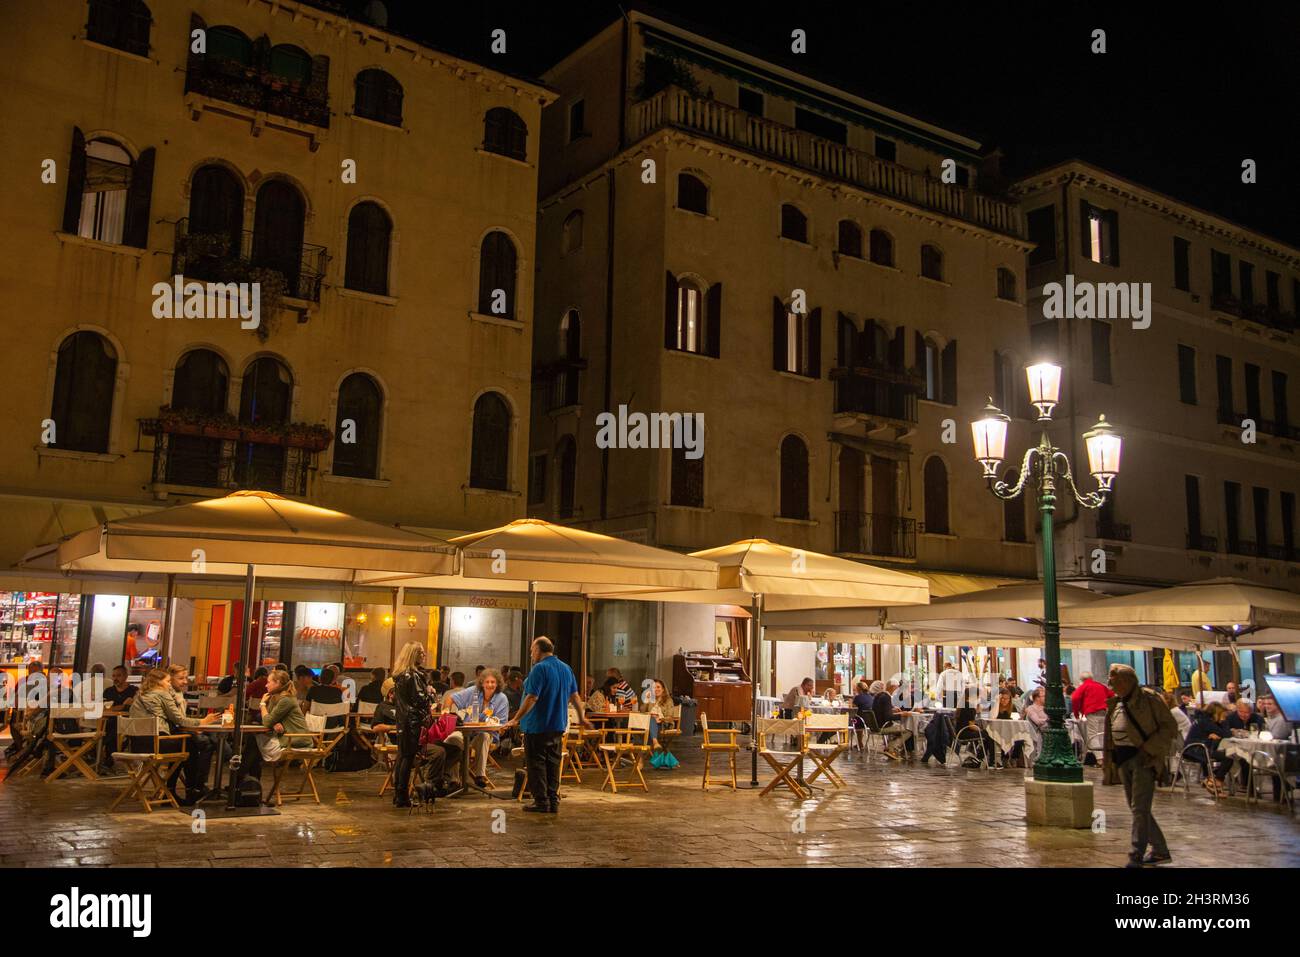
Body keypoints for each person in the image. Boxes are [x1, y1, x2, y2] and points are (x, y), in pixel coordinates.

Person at [500, 637, 591, 814]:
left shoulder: (539, 669)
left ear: (539, 649)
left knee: (536, 764)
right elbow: (575, 696)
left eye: (532, 650)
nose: (531, 653)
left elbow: (532, 697)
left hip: (537, 725)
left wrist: (516, 719)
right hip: (557, 725)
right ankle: (553, 801)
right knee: (553, 764)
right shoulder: (566, 668)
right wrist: (582, 717)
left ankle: (541, 801)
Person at [1103, 663, 1178, 867]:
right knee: (1137, 807)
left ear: (1127, 681)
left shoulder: (1148, 699)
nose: (1110, 683)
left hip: (1143, 758)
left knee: (1139, 808)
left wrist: (1149, 749)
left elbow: (1169, 727)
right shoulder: (1116, 702)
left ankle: (1136, 853)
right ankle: (1160, 850)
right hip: (1123, 758)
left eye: (1114, 679)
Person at [129, 668, 221, 805]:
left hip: (137, 744)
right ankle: (191, 789)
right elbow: (180, 720)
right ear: (159, 682)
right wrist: (203, 721)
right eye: (167, 681)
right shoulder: (162, 694)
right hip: (156, 742)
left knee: (184, 744)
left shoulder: (140, 695)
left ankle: (176, 790)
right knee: (191, 745)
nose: (169, 684)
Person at [447, 668, 509, 789]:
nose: (490, 685)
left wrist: (496, 727)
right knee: (452, 738)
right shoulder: (473, 692)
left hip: (486, 734)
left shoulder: (502, 699)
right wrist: (446, 711)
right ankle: (454, 779)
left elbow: (502, 726)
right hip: (465, 732)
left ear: (498, 684)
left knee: (484, 736)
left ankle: (480, 775)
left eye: (493, 682)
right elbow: (451, 698)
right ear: (481, 683)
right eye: (487, 682)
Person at [390, 642, 434, 808]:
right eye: (421, 653)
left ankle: (398, 795)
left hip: (403, 720)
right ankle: (402, 797)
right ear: (414, 655)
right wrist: (429, 693)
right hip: (413, 721)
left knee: (402, 757)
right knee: (407, 758)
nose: (424, 656)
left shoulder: (401, 675)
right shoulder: (413, 676)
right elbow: (419, 699)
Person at [257, 668, 312, 768]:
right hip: (287, 738)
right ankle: (249, 778)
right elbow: (268, 719)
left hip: (295, 740)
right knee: (253, 742)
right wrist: (274, 723)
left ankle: (245, 777)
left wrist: (262, 704)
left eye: (269, 682)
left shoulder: (286, 699)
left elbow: (266, 721)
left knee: (253, 743)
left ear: (277, 683)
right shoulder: (276, 698)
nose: (266, 685)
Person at [1184, 701, 1232, 796]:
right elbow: (1226, 735)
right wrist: (1224, 722)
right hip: (1195, 750)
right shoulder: (1206, 722)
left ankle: (1211, 780)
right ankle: (1215, 781)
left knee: (1228, 756)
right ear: (1216, 714)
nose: (1223, 717)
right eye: (1222, 715)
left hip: (1199, 749)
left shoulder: (1204, 719)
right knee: (1228, 757)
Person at [1070, 671, 1113, 765]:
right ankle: (1104, 758)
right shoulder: (1101, 685)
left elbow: (1075, 698)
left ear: (1081, 679)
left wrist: (1077, 713)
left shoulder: (1084, 686)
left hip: (1092, 712)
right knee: (1101, 735)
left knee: (1092, 736)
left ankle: (1100, 759)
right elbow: (1112, 695)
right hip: (1104, 712)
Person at [868, 681, 912, 759]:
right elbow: (888, 717)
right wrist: (902, 715)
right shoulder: (886, 697)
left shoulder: (878, 696)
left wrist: (892, 710)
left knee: (899, 729)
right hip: (883, 726)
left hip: (875, 725)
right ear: (893, 687)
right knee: (908, 731)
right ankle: (892, 747)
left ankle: (890, 747)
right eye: (897, 688)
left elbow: (881, 711)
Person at [644, 678, 679, 753]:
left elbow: (670, 717)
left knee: (647, 729)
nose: (656, 689)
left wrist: (660, 719)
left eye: (658, 687)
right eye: (654, 687)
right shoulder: (651, 700)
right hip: (649, 722)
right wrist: (646, 700)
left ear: (663, 689)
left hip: (664, 724)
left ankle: (641, 758)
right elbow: (643, 711)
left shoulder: (668, 700)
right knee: (643, 725)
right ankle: (655, 743)